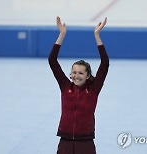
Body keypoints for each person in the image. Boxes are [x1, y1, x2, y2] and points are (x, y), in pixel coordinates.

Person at [48, 16, 109, 154]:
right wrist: (61, 35)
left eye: (80, 73)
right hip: (65, 141)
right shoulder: (65, 86)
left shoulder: (93, 89)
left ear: (87, 76)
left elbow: (105, 64)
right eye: (74, 72)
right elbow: (52, 61)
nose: (76, 76)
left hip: (85, 142)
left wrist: (97, 35)